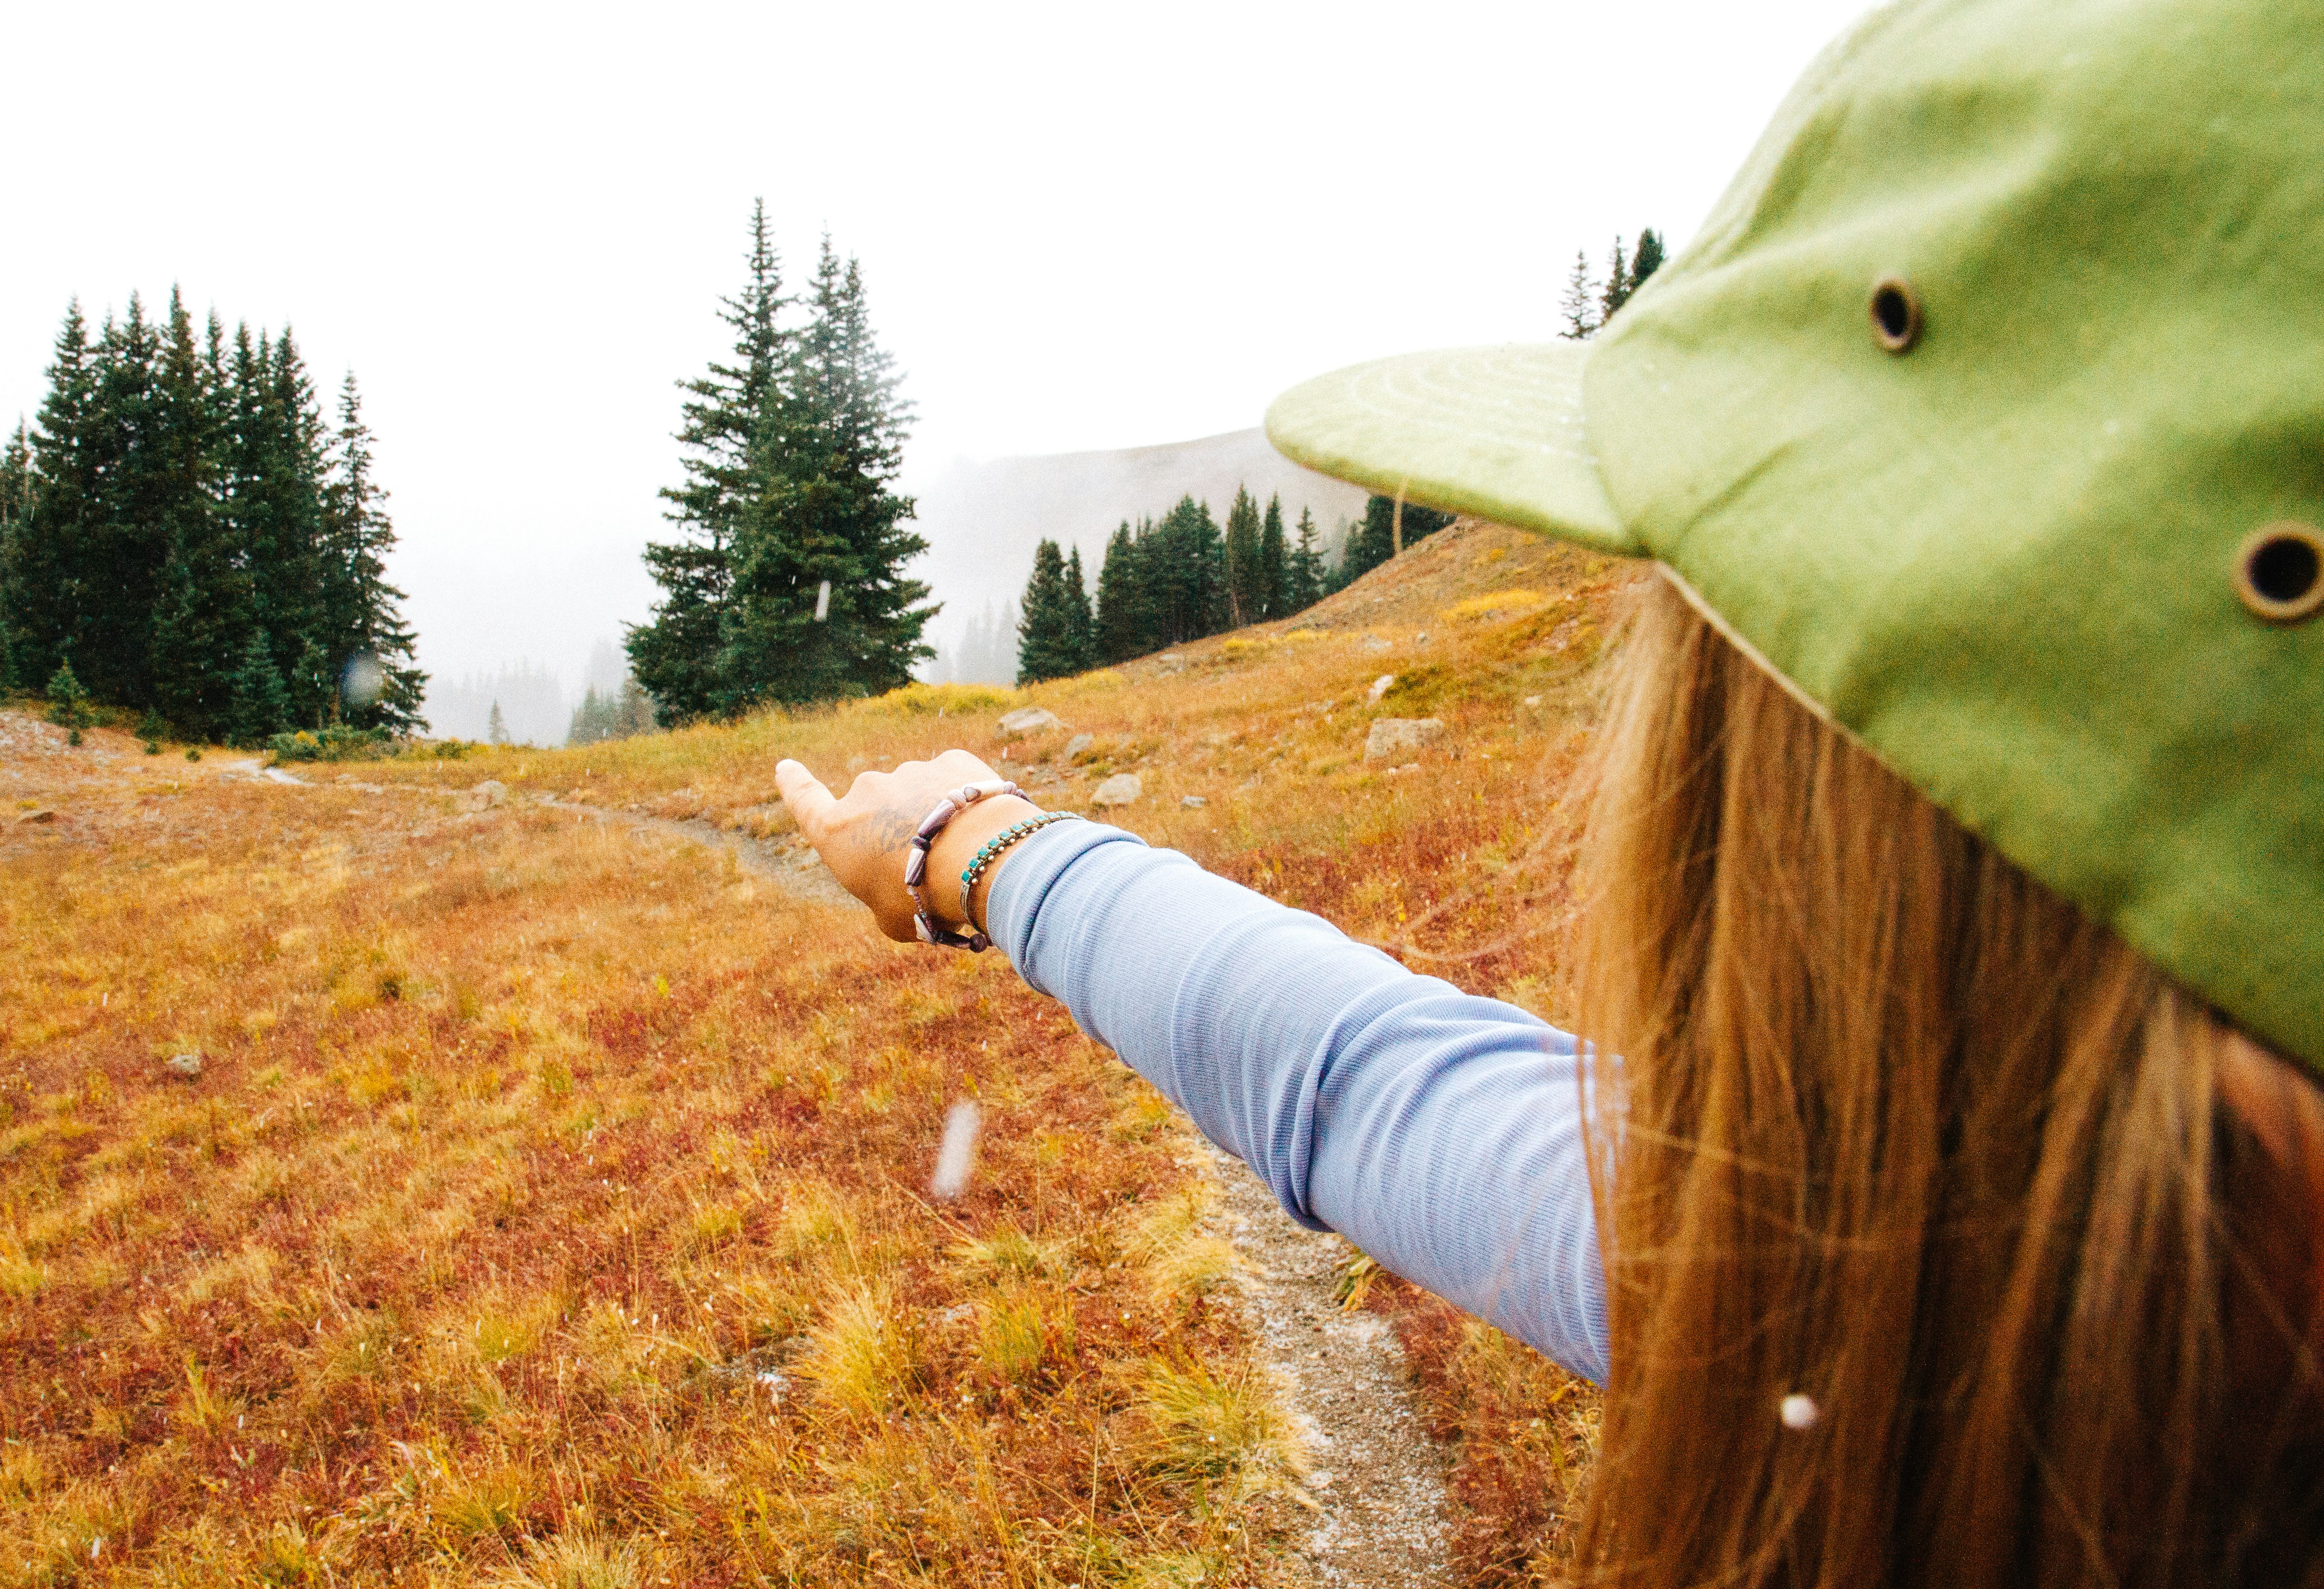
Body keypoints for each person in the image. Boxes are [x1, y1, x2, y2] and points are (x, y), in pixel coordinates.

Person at [777, 1, 2324, 1583]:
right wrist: (985, 845)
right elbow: (1368, 1076)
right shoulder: (1911, 1258)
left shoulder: (1896, 1295)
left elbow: (1365, 1085)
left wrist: (977, 845)